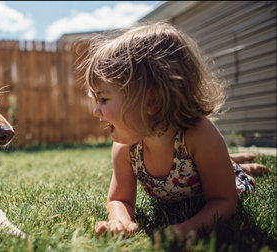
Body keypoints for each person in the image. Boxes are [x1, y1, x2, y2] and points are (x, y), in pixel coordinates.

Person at [81, 21, 268, 240]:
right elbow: (119, 199)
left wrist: (189, 228)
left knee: (240, 178)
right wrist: (120, 220)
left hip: (225, 175)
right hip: (199, 165)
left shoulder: (198, 135)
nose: (96, 111)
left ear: (152, 100)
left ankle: (238, 166)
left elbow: (224, 201)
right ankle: (232, 159)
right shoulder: (126, 147)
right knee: (216, 162)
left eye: (103, 99)